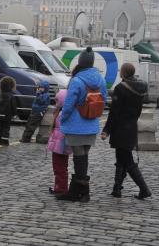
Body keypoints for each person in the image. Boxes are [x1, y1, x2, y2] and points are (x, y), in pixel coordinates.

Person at [57, 47, 107, 202]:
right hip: (91, 123)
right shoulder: (101, 80)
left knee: (79, 158)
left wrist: (62, 118)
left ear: (80, 62)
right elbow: (103, 100)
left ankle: (82, 193)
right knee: (83, 156)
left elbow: (69, 103)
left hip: (76, 124)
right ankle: (80, 192)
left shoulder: (77, 80)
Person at [101, 63, 151, 199]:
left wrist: (106, 130)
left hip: (120, 129)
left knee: (127, 160)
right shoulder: (140, 88)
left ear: (123, 72)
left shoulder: (120, 88)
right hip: (131, 126)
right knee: (121, 158)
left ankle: (144, 189)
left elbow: (114, 113)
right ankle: (117, 189)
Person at [47, 89, 72, 195]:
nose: (56, 103)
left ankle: (61, 188)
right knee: (60, 167)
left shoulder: (62, 114)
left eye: (58, 101)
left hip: (60, 145)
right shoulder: (63, 112)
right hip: (60, 144)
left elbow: (59, 130)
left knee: (59, 167)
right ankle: (59, 186)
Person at [0, 76, 18, 146]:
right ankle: (4, 141)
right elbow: (13, 106)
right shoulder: (11, 95)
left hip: (0, 114)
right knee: (6, 127)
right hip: (8, 114)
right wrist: (14, 114)